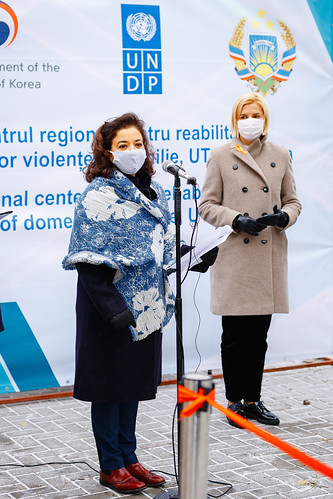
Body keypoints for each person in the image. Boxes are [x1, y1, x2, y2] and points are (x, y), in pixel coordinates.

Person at [63, 112, 217, 493]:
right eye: (123, 145)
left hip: (147, 305)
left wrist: (196, 257)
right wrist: (113, 309)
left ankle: (129, 458)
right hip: (111, 309)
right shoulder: (97, 196)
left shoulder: (155, 192)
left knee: (130, 385)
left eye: (137, 143)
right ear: (108, 152)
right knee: (109, 387)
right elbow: (87, 260)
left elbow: (160, 246)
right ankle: (110, 464)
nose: (133, 151)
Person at [199, 93, 302, 428]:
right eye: (245, 115)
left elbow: (294, 201)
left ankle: (254, 400)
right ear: (235, 119)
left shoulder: (280, 155)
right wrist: (235, 219)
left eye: (256, 114)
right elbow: (206, 205)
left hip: (266, 254)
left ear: (265, 118)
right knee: (234, 335)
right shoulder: (219, 155)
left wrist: (283, 217)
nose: (250, 120)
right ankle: (234, 403)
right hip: (235, 256)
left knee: (258, 335)